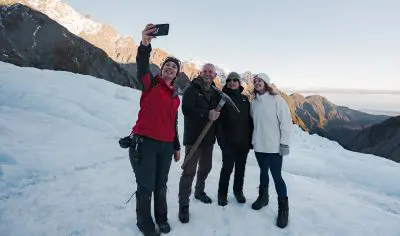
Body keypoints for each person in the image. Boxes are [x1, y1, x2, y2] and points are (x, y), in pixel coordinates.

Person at [121, 24, 182, 236]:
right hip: (144, 143)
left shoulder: (175, 98)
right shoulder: (150, 84)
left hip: (165, 146)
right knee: (146, 185)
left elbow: (173, 124)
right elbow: (142, 66)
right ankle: (144, 223)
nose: (170, 68)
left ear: (177, 75)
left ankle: (162, 218)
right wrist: (145, 43)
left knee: (161, 185)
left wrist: (176, 146)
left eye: (174, 68)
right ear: (162, 69)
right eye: (167, 65)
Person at [177, 63, 221, 223]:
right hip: (194, 138)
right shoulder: (191, 89)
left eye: (211, 72)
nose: (208, 74)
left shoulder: (217, 93)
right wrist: (206, 114)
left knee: (206, 167)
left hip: (208, 138)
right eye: (205, 71)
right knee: (189, 172)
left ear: (215, 75)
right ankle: (183, 205)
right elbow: (187, 110)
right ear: (200, 73)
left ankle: (199, 191)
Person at [249, 73, 292, 228]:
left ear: (266, 83)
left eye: (260, 80)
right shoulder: (253, 103)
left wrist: (284, 143)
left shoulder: (277, 100)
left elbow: (286, 123)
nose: (257, 82)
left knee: (276, 176)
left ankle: (283, 209)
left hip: (274, 147)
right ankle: (263, 197)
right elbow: (253, 123)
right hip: (259, 146)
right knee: (262, 172)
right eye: (255, 81)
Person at [216, 72, 253, 206]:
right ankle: (222, 194)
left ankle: (238, 191)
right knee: (227, 169)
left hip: (243, 143)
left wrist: (250, 141)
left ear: (239, 83)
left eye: (235, 80)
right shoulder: (222, 99)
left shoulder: (245, 100)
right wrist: (222, 143)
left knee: (240, 170)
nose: (232, 82)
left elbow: (249, 122)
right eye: (229, 80)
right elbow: (218, 124)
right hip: (228, 143)